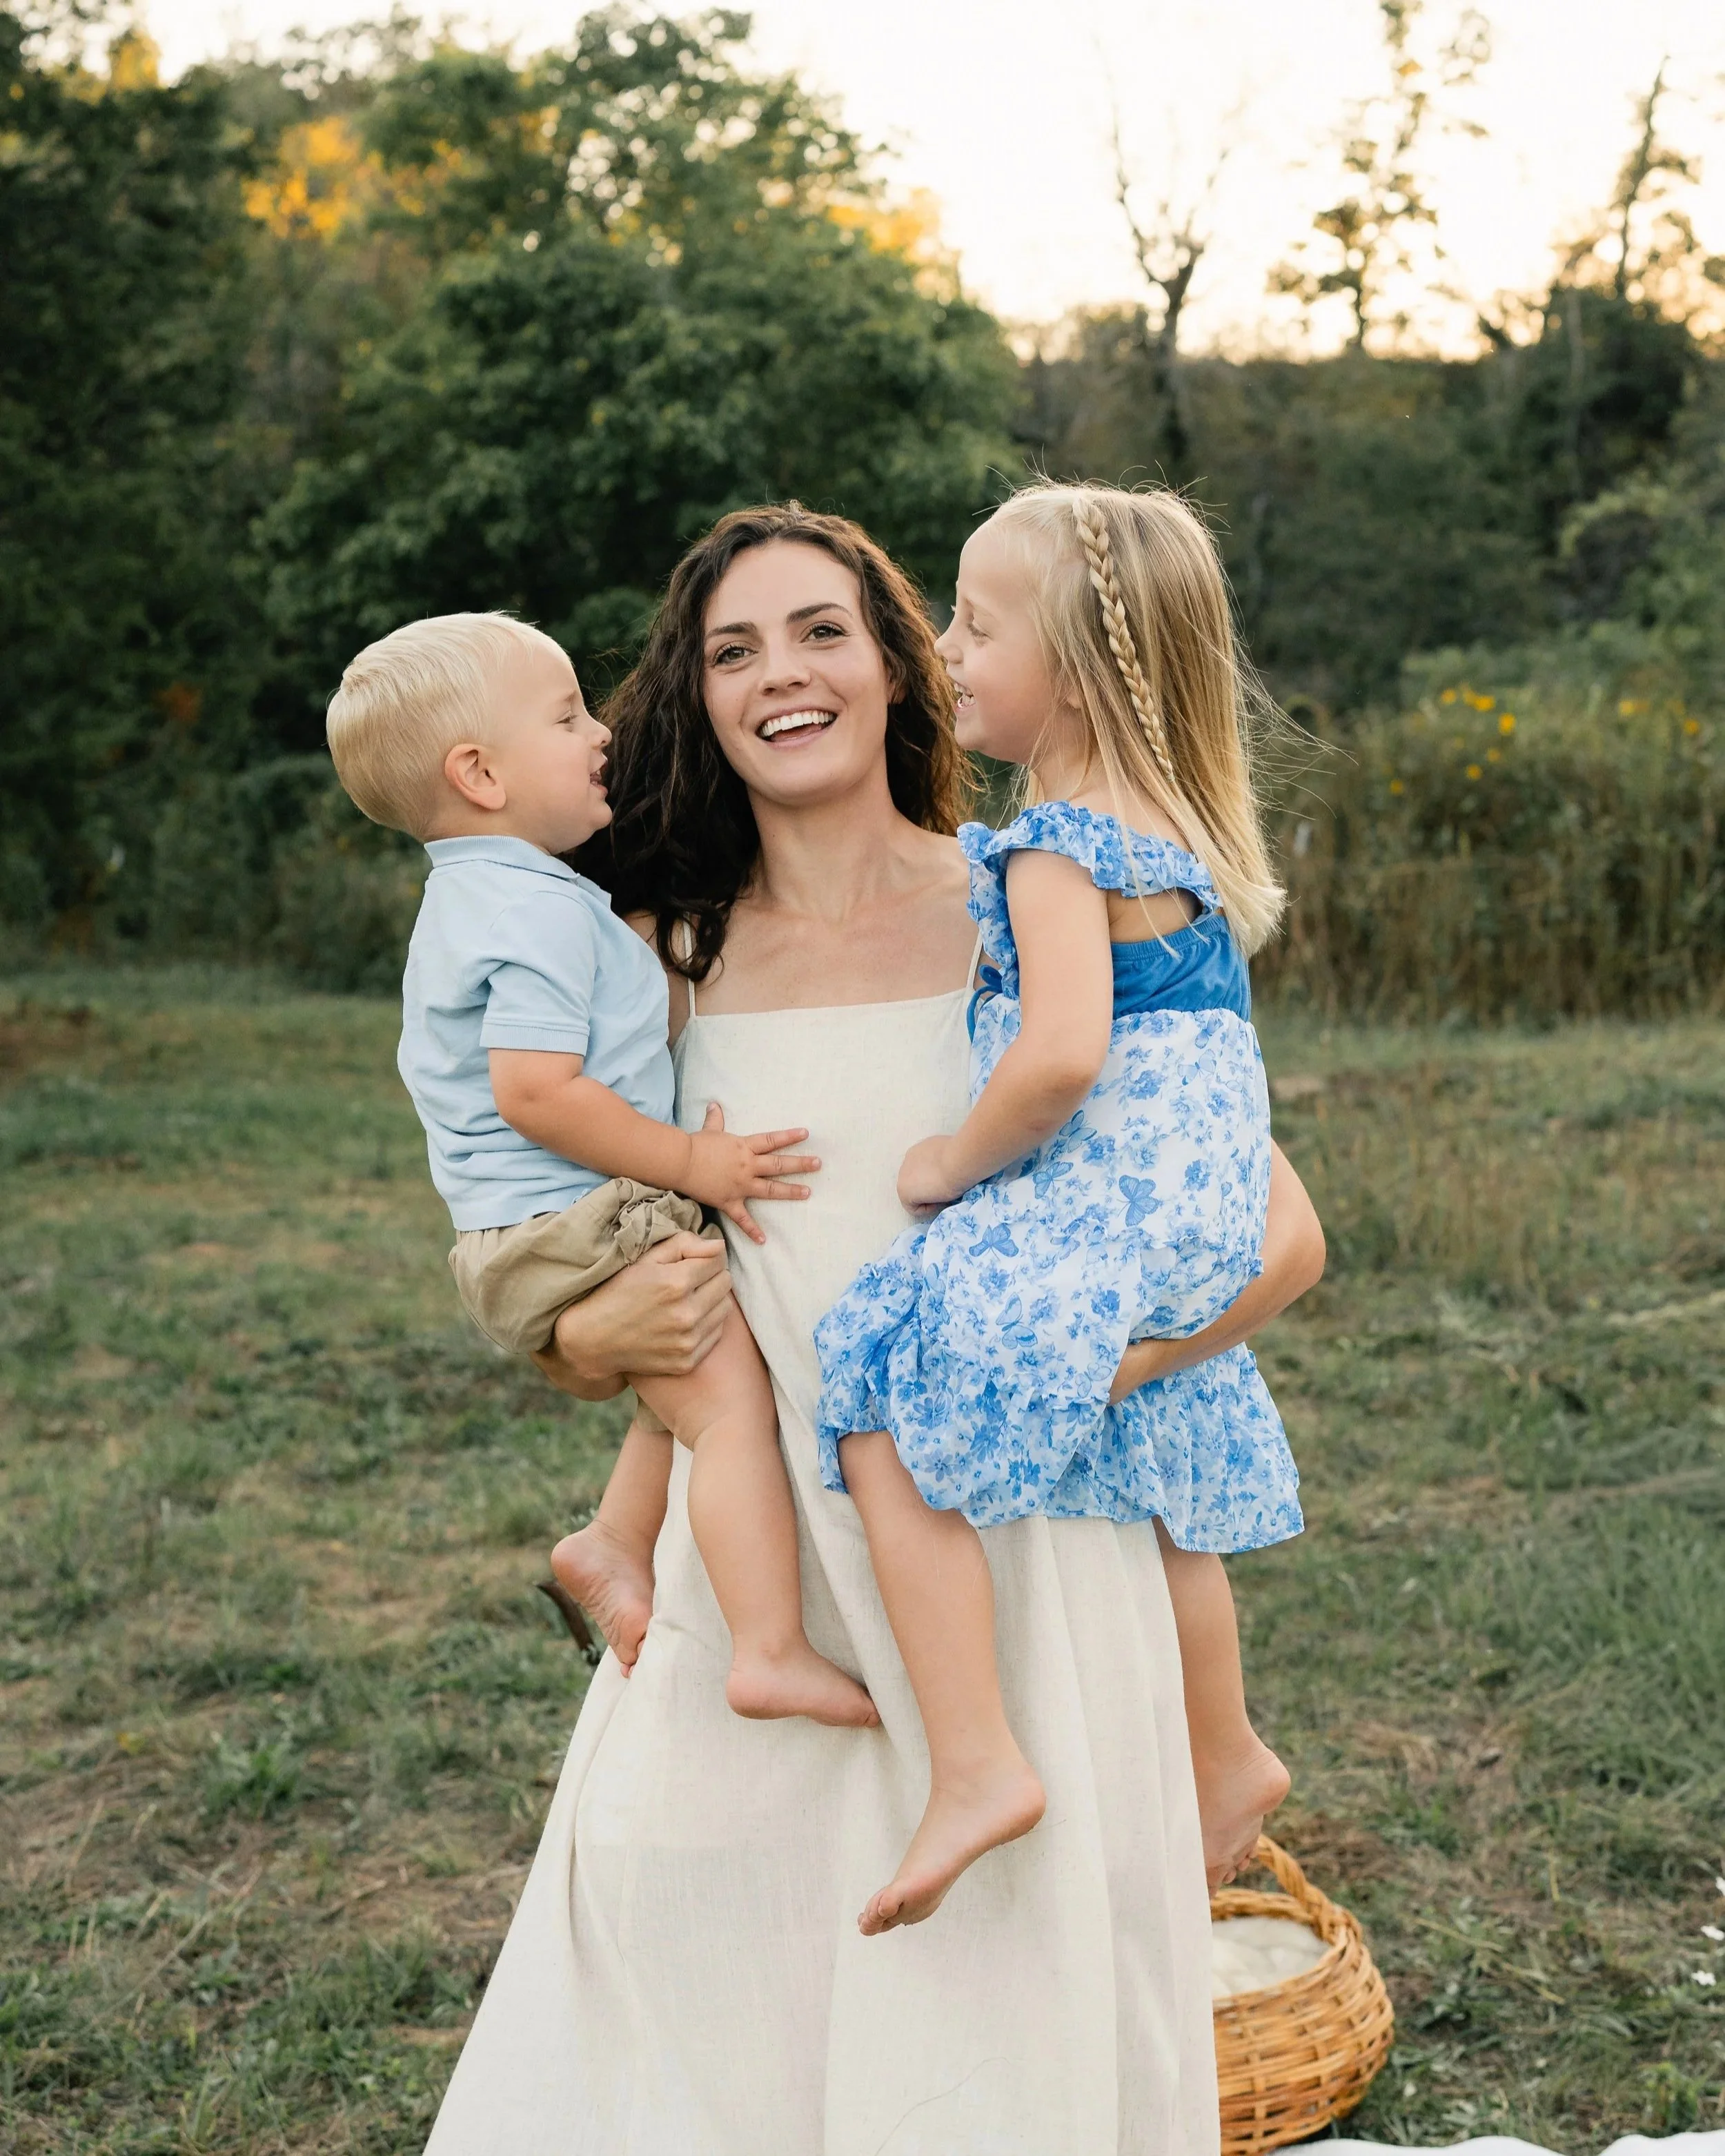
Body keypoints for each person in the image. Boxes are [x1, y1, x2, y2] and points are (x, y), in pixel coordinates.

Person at [422, 504, 1325, 2156]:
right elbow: (555, 1262)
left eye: (822, 630)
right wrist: (589, 1337)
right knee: (692, 1955)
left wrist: (1104, 1368)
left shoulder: (1028, 902)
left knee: (1003, 2033)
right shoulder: (653, 957)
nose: (783, 674)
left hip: (1026, 1546)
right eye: (733, 648)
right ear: (691, 699)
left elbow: (1271, 1233)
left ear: (902, 663)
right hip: (764, 1567)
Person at [815, 483, 1301, 1938]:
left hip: (1106, 1212)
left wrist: (950, 1161)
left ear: (1079, 665)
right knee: (1163, 1488)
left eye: (973, 621)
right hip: (1200, 1224)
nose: (942, 649)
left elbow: (1061, 1055)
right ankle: (1227, 1754)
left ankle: (972, 1760)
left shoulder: (1055, 843)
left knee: (870, 1379)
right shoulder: (1186, 850)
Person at [324, 611, 876, 1729]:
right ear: (479, 774)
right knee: (729, 1410)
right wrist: (693, 1161)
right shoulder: (532, 912)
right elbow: (537, 1090)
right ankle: (767, 1645)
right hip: (568, 1220)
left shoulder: (497, 896)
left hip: (533, 1225)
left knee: (699, 1388)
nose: (601, 737)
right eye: (568, 714)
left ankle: (614, 1541)